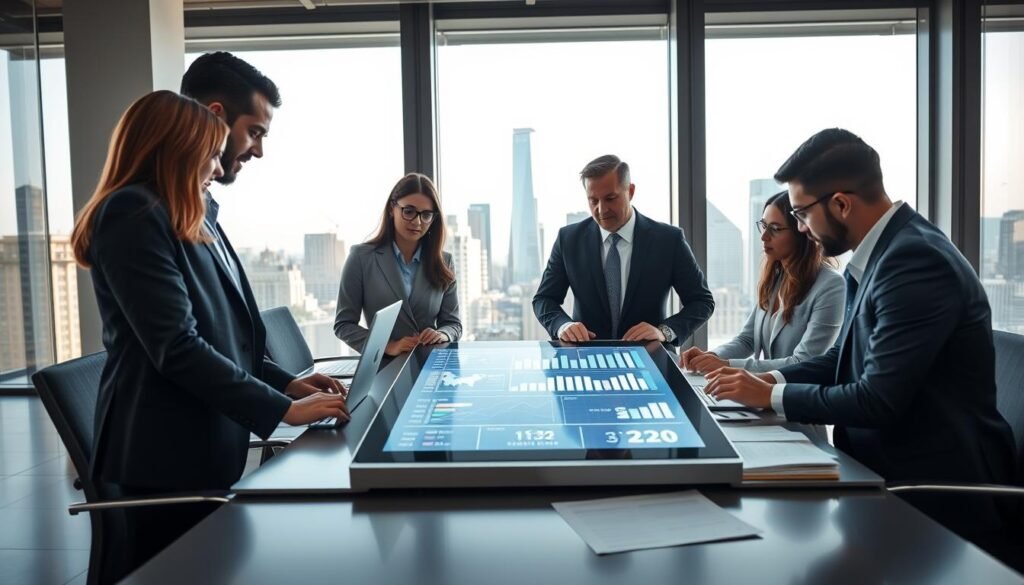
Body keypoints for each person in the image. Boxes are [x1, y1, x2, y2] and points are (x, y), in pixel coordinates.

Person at [69, 91, 349, 579]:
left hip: (200, 449)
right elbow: (177, 347)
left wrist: (286, 383)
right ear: (174, 148)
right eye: (210, 157)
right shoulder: (132, 214)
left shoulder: (192, 217)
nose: (218, 171)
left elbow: (228, 334)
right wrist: (282, 411)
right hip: (159, 462)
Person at [703, 128, 1016, 538]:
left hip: (930, 487)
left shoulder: (914, 260)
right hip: (882, 466)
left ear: (840, 204)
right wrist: (768, 379)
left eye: (801, 214)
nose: (800, 229)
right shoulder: (882, 252)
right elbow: (844, 357)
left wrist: (770, 396)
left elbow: (877, 399)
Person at [533, 154, 714, 344]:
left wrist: (665, 332)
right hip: (585, 357)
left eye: (610, 198)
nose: (601, 210)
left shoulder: (669, 240)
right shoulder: (568, 239)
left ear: (631, 191)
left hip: (650, 356)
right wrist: (563, 326)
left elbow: (701, 302)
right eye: (593, 201)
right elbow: (544, 299)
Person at [680, 191, 844, 374]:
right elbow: (747, 339)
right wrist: (711, 357)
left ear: (801, 232)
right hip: (767, 392)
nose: (764, 236)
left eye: (775, 228)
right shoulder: (775, 277)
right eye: (764, 226)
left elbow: (803, 362)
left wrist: (727, 366)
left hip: (798, 396)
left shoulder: (831, 286)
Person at [335, 173, 461, 356]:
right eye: (409, 211)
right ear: (391, 209)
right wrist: (387, 346)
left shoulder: (444, 262)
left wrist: (442, 334)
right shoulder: (361, 258)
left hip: (430, 365)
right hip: (385, 366)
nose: (417, 222)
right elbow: (343, 325)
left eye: (426, 215)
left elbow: (453, 324)